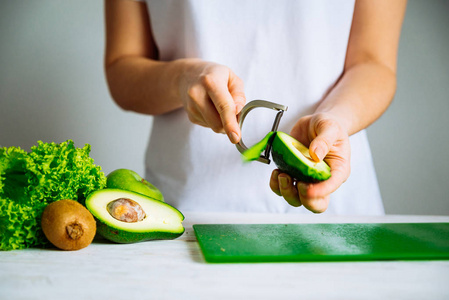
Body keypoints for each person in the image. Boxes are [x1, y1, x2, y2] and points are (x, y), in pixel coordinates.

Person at [104, 0, 407, 214]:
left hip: (338, 201)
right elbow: (122, 69)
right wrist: (179, 79)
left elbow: (373, 63)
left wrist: (336, 119)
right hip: (188, 202)